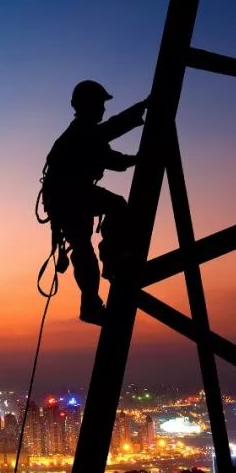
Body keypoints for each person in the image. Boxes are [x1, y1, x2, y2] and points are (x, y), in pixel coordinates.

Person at [40, 80, 147, 325]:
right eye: (99, 103)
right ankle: (112, 264)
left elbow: (110, 144)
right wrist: (141, 110)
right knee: (116, 207)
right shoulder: (81, 132)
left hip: (68, 198)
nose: (102, 109)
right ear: (87, 104)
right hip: (70, 197)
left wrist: (136, 157)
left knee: (83, 246)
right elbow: (109, 144)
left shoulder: (83, 132)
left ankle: (93, 297)